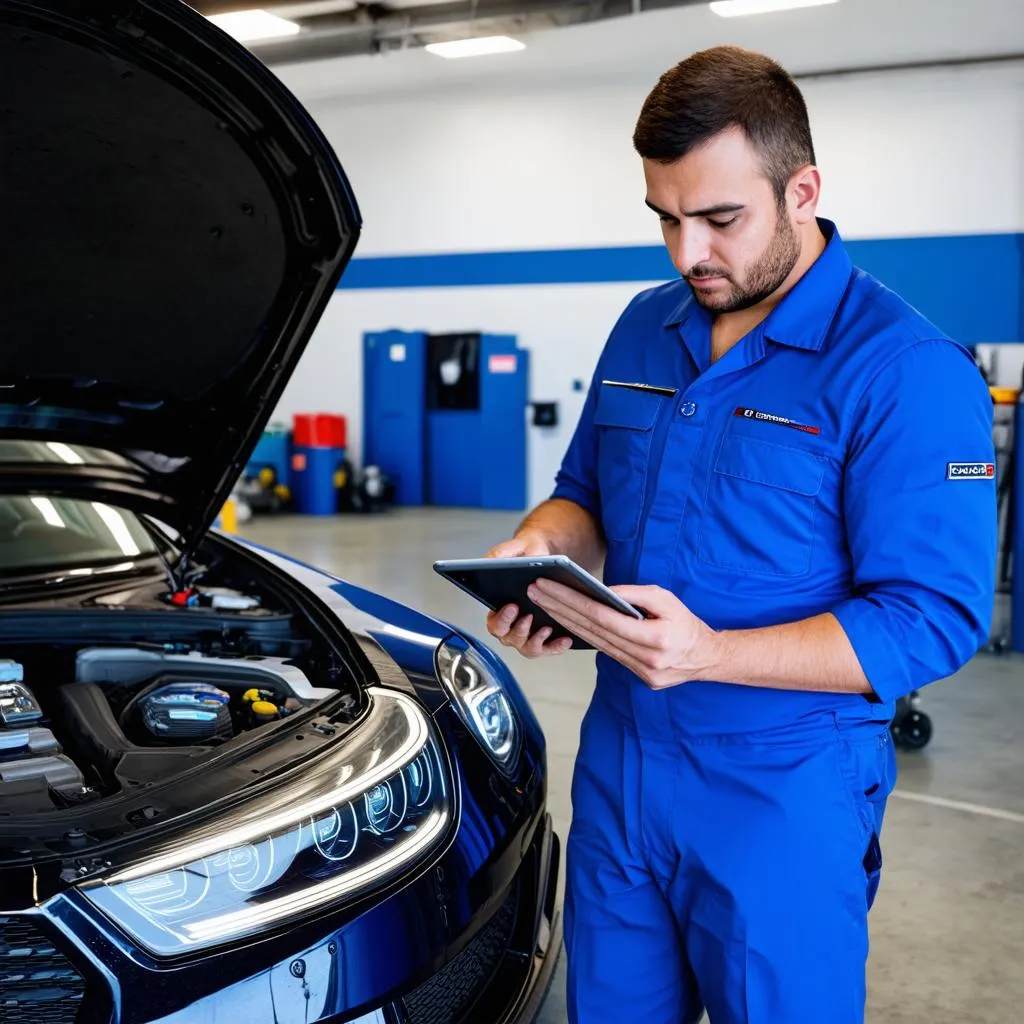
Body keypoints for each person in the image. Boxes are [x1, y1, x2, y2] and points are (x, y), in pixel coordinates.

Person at [484, 46, 997, 1024]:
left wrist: (710, 651)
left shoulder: (905, 370)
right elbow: (583, 488)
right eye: (665, 220)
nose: (688, 254)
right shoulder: (645, 325)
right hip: (622, 758)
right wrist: (541, 554)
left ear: (800, 190)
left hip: (785, 789)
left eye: (720, 220)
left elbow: (932, 617)